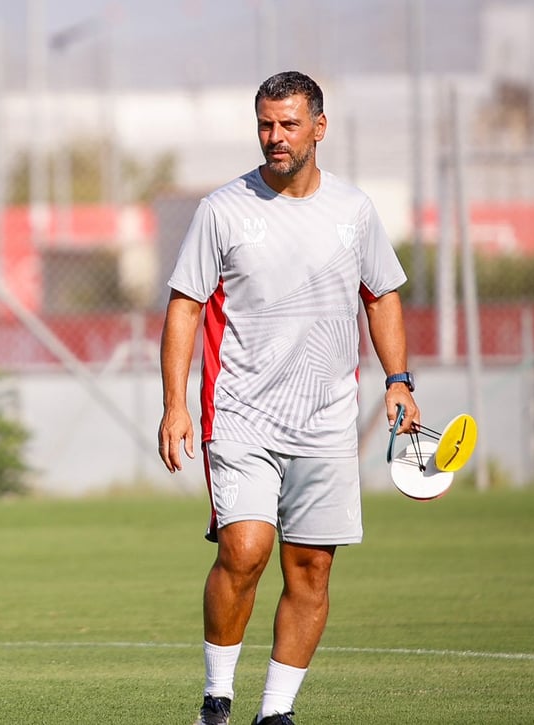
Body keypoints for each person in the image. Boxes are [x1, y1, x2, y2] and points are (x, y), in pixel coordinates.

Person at [157, 71, 421, 725]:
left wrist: (399, 379)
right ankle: (217, 697)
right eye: (266, 125)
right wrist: (174, 403)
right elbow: (184, 307)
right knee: (244, 549)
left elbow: (382, 294)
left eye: (289, 124)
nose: (275, 137)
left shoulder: (354, 210)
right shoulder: (223, 208)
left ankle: (276, 713)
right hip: (241, 414)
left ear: (319, 128)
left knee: (310, 569)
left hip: (327, 421)